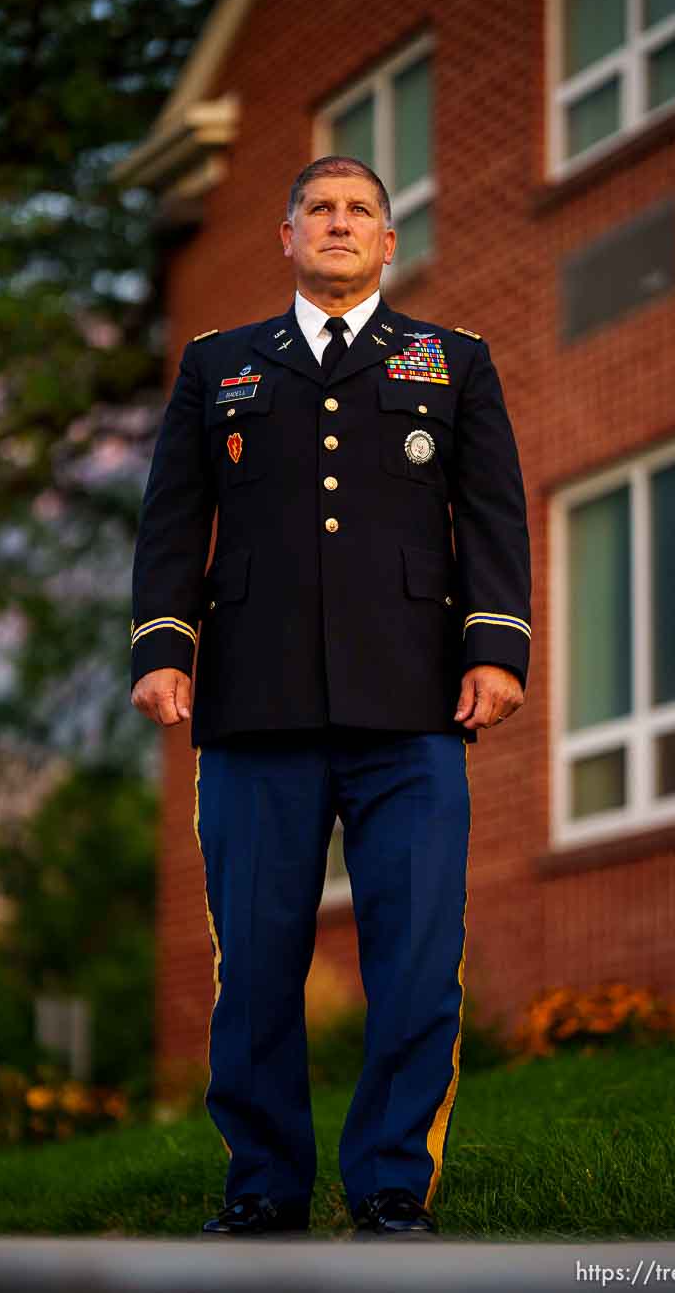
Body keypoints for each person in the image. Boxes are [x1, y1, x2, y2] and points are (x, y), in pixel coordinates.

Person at [130, 155, 531, 1237]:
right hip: (254, 711)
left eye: (361, 211)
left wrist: (496, 649)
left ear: (389, 242)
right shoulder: (219, 365)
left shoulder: (455, 363)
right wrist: (162, 645)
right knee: (257, 964)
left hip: (412, 708)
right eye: (320, 209)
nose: (340, 224)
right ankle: (263, 1188)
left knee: (412, 957)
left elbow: (493, 515)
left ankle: (392, 1184)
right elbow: (173, 519)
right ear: (287, 234)